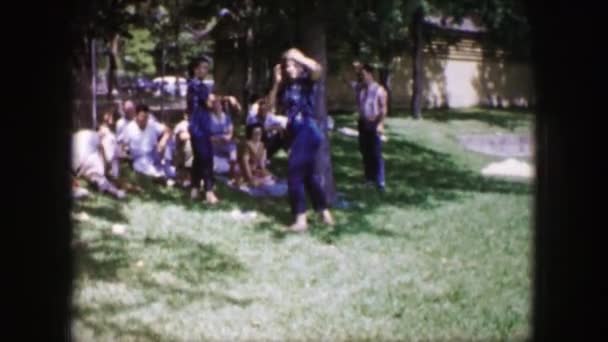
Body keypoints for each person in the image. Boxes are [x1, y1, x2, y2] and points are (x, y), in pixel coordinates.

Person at [271, 48, 334, 231]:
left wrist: (297, 56)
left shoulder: (307, 81)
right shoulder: (287, 86)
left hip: (308, 129)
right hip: (295, 132)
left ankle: (300, 219)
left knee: (294, 173)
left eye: (291, 66)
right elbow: (270, 105)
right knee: (309, 176)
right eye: (286, 66)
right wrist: (276, 83)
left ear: (299, 67)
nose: (288, 69)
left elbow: (317, 70)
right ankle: (324, 214)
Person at [187, 56, 219, 204]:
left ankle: (194, 190)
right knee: (206, 158)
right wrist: (226, 99)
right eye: (203, 67)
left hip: (201, 126)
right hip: (198, 126)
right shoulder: (198, 86)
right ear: (195, 69)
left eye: (207, 68)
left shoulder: (196, 85)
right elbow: (210, 103)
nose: (205, 71)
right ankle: (209, 191)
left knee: (199, 159)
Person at [351, 61, 388, 191]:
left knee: (376, 153)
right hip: (363, 123)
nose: (361, 77)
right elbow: (349, 81)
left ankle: (380, 182)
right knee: (365, 152)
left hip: (374, 124)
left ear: (370, 74)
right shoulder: (360, 89)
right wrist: (357, 68)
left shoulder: (379, 90)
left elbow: (383, 109)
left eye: (364, 74)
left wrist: (380, 124)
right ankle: (369, 179)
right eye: (360, 75)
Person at [120, 104, 175, 182]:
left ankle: (167, 169)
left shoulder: (152, 124)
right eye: (142, 117)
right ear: (136, 115)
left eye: (146, 117)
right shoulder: (129, 128)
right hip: (140, 158)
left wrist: (163, 141)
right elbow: (123, 146)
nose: (145, 119)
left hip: (155, 153)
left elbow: (168, 130)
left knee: (169, 140)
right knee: (146, 170)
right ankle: (162, 178)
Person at [246, 95, 288, 160]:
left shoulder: (270, 117)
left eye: (265, 110)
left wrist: (278, 129)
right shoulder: (252, 118)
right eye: (261, 110)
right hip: (255, 142)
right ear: (258, 110)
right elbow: (254, 131)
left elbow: (280, 125)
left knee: (282, 132)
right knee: (261, 132)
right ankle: (259, 158)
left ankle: (269, 156)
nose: (263, 112)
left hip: (267, 142)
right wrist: (269, 128)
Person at [233, 122, 275, 188]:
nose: (258, 135)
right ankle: (243, 182)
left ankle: (257, 181)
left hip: (254, 170)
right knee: (254, 183)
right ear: (251, 133)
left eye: (260, 133)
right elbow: (245, 164)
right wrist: (250, 179)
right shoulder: (246, 145)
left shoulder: (261, 145)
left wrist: (265, 172)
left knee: (270, 178)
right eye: (256, 133)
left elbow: (261, 164)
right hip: (243, 170)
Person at [209, 96, 239, 181]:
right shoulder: (208, 118)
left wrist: (227, 138)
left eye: (219, 105)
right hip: (213, 144)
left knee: (233, 146)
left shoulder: (227, 118)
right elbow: (206, 136)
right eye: (215, 105)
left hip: (225, 143)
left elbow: (230, 132)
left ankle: (232, 169)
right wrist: (217, 139)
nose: (217, 106)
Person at [173, 112, 193, 188]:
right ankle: (188, 177)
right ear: (185, 115)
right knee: (189, 145)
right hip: (179, 153)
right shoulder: (182, 125)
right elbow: (183, 137)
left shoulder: (198, 123)